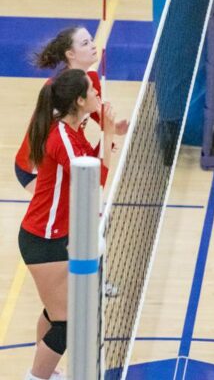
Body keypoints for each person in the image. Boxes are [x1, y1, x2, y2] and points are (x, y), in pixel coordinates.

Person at [19, 68, 116, 380]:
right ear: (78, 100)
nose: (97, 93)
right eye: (91, 90)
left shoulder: (72, 131)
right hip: (43, 238)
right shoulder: (62, 138)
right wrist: (110, 134)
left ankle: (47, 371)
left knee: (54, 311)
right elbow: (93, 187)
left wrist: (106, 136)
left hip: (54, 235)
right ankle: (37, 377)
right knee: (69, 321)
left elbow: (90, 163)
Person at [15, 26, 128, 194]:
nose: (93, 45)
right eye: (85, 43)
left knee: (80, 206)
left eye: (91, 40)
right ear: (70, 54)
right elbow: (54, 137)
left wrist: (113, 126)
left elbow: (97, 115)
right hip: (35, 167)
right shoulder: (58, 91)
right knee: (73, 206)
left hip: (63, 157)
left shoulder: (91, 80)